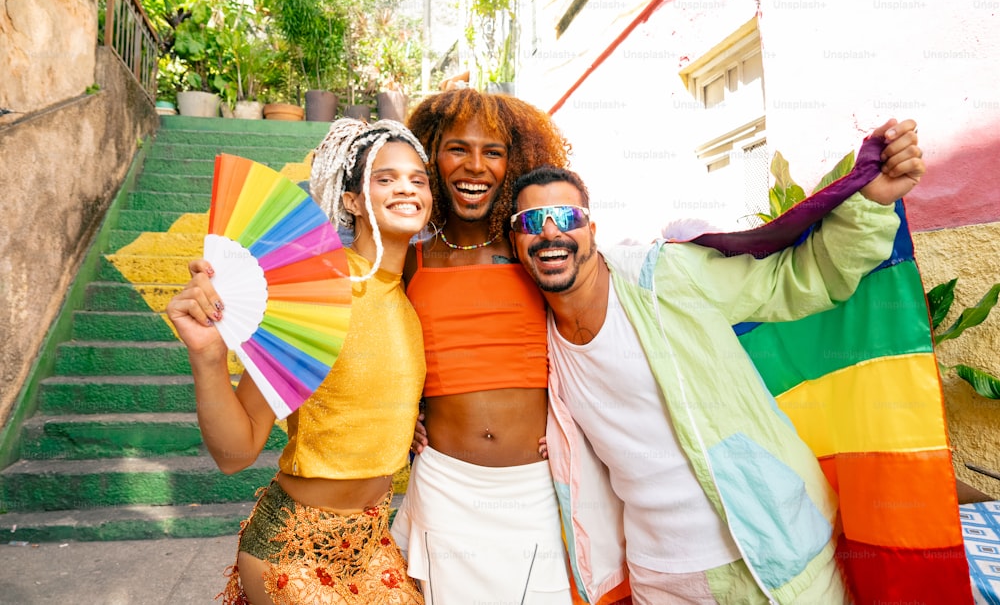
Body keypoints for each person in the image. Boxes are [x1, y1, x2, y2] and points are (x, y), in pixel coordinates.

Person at [508, 120, 925, 604]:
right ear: (516, 243)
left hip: (771, 546)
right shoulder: (534, 337)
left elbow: (798, 277)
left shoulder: (666, 276)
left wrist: (873, 201)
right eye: (532, 222)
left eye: (567, 216)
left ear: (592, 230)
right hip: (659, 577)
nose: (552, 232)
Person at [166, 118, 432, 605]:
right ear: (351, 200)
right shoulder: (319, 292)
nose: (406, 189)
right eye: (385, 178)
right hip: (294, 550)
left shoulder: (415, 298)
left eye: (418, 179)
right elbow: (237, 451)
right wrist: (207, 358)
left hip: (372, 544)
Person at [389, 88, 577, 604]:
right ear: (432, 155)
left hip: (535, 488)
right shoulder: (410, 259)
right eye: (457, 148)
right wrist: (399, 416)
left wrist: (575, 421)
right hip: (445, 486)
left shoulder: (535, 249)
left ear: (514, 162)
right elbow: (378, 347)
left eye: (492, 151)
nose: (476, 166)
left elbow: (586, 340)